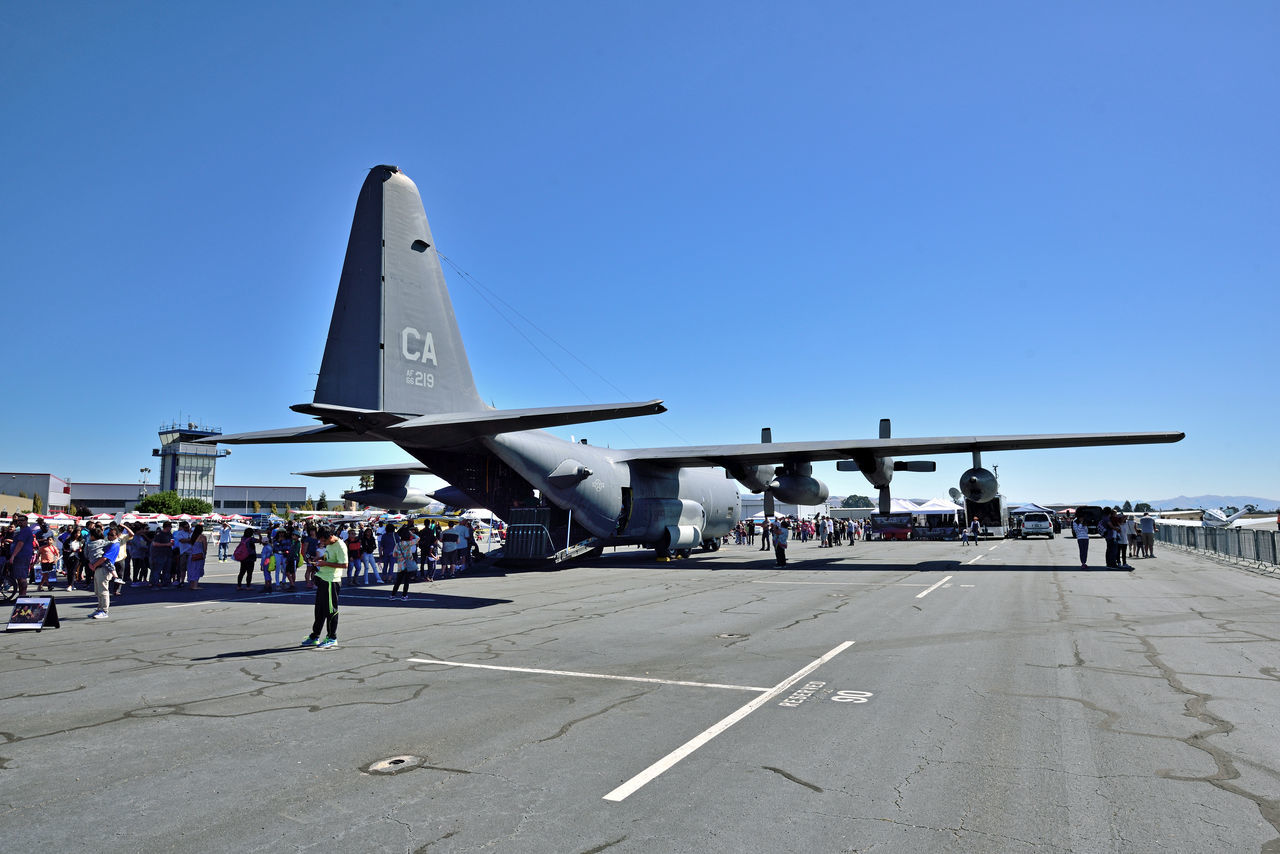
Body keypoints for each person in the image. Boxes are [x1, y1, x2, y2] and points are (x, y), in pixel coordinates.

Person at [301, 525, 344, 648]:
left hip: (332, 581)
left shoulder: (340, 545)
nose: (321, 543)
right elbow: (329, 557)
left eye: (323, 541)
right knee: (319, 610)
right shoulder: (329, 544)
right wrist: (319, 558)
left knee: (331, 610)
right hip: (323, 578)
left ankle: (332, 637)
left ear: (330, 537)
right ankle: (315, 636)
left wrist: (325, 563)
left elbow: (344, 564)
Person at [390, 527, 419, 600]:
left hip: (400, 565)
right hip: (408, 565)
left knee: (398, 581)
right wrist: (412, 533)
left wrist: (400, 556)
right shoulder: (409, 543)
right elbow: (418, 538)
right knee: (406, 581)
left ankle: (393, 595)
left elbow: (394, 555)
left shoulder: (398, 544)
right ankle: (404, 596)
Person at [150, 521, 174, 587]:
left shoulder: (169, 534)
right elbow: (154, 543)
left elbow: (171, 541)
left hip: (168, 554)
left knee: (167, 570)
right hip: (159, 554)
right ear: (167, 527)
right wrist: (166, 544)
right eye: (170, 526)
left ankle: (165, 583)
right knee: (157, 570)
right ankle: (155, 583)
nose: (171, 528)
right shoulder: (159, 534)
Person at [187, 523, 207, 590]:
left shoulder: (192, 536)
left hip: (192, 554)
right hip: (199, 554)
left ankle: (191, 585)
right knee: (197, 569)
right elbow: (204, 547)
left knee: (191, 569)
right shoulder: (202, 537)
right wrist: (205, 554)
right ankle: (195, 585)